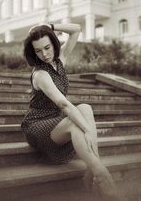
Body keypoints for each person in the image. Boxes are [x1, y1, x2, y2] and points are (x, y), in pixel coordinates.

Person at [21, 23, 118, 200]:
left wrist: (49, 25)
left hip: (56, 120)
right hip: (38, 126)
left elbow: (76, 30)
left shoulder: (60, 59)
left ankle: (92, 167)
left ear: (54, 42)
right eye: (38, 51)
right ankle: (103, 176)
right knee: (76, 122)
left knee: (85, 108)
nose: (44, 54)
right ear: (33, 52)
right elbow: (64, 105)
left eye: (47, 47)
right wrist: (87, 130)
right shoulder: (41, 74)